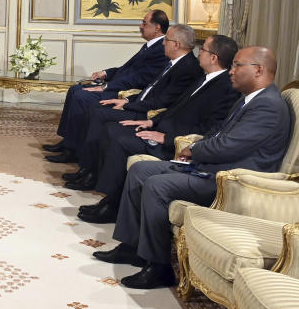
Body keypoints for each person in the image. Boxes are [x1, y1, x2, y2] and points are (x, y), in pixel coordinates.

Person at [95, 46, 291, 289]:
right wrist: (196, 148)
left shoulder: (268, 106)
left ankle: (158, 268)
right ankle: (132, 247)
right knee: (140, 170)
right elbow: (216, 133)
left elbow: (229, 146)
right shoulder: (249, 100)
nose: (231, 71)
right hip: (210, 168)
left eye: (238, 65)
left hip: (230, 181)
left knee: (157, 185)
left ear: (259, 69)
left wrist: (193, 150)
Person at [74, 34, 240, 223]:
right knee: (112, 129)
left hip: (174, 140)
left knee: (120, 139)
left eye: (203, 50)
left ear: (214, 58)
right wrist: (151, 122)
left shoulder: (226, 88)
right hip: (161, 127)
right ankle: (109, 197)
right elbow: (174, 107)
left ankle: (112, 205)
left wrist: (167, 137)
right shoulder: (204, 78)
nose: (198, 52)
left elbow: (207, 128)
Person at [63, 23, 203, 190]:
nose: (163, 43)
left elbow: (163, 101)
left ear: (177, 44)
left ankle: (91, 172)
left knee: (100, 114)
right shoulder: (173, 62)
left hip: (148, 114)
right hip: (139, 104)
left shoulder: (187, 68)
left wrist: (131, 106)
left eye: (167, 40)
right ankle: (87, 169)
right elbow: (149, 89)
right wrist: (127, 101)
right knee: (98, 110)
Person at [43, 10, 170, 163]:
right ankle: (67, 141)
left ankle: (72, 150)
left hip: (126, 93)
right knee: (74, 89)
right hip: (118, 86)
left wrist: (106, 86)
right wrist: (105, 73)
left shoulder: (161, 50)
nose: (140, 26)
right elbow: (126, 69)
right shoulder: (150, 46)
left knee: (82, 96)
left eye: (144, 23)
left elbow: (139, 79)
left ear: (157, 27)